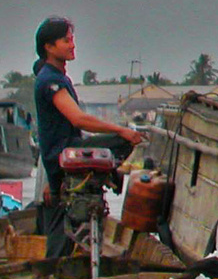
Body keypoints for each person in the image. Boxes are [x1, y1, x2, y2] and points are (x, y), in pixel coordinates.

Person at [31, 17, 145, 257]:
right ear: (49, 47)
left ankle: (103, 175)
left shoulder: (58, 77)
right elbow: (79, 119)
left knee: (61, 231)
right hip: (62, 158)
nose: (72, 45)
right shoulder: (50, 80)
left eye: (72, 39)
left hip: (66, 154)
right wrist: (120, 129)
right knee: (121, 141)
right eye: (65, 40)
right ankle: (108, 174)